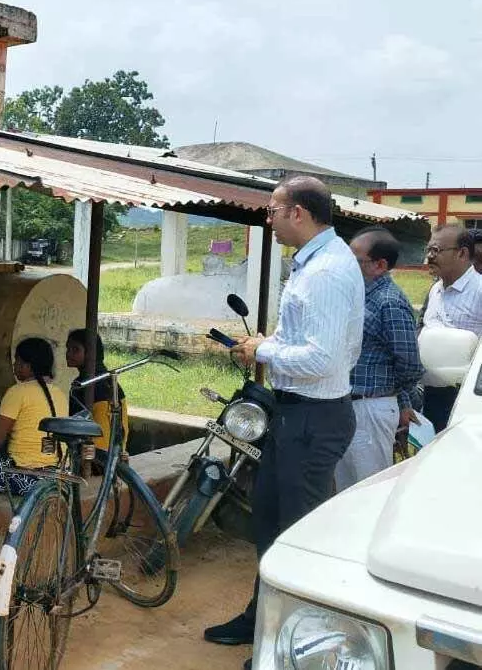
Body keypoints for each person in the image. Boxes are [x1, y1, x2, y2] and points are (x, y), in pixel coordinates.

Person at [204, 177, 363, 666]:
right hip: (293, 414)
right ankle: (263, 620)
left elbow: (321, 359)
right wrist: (272, 343)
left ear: (298, 212)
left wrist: (262, 349)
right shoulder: (314, 264)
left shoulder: (328, 272)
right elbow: (310, 338)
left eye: (273, 211)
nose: (267, 219)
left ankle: (292, 647)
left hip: (314, 418)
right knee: (271, 526)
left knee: (297, 537)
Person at [336, 227, 424, 491]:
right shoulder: (361, 296)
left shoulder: (390, 302)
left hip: (370, 409)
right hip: (350, 405)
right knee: (344, 491)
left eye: (355, 260)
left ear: (380, 265)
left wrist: (401, 397)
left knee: (367, 488)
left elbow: (409, 364)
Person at [0, 337, 69, 495]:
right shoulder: (60, 394)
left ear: (29, 365)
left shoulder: (17, 392)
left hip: (26, 478)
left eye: (17, 361)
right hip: (57, 477)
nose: (14, 366)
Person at [419, 225, 482, 430]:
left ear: (462, 253)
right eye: (428, 250)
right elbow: (422, 326)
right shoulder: (435, 289)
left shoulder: (479, 290)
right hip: (431, 392)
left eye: (436, 250)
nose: (429, 256)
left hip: (467, 398)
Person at [66, 329, 129, 455]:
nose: (68, 354)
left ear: (91, 353)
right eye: (68, 349)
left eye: (75, 350)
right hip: (116, 455)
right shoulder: (111, 381)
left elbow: (75, 429)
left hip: (95, 459)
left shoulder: (82, 386)